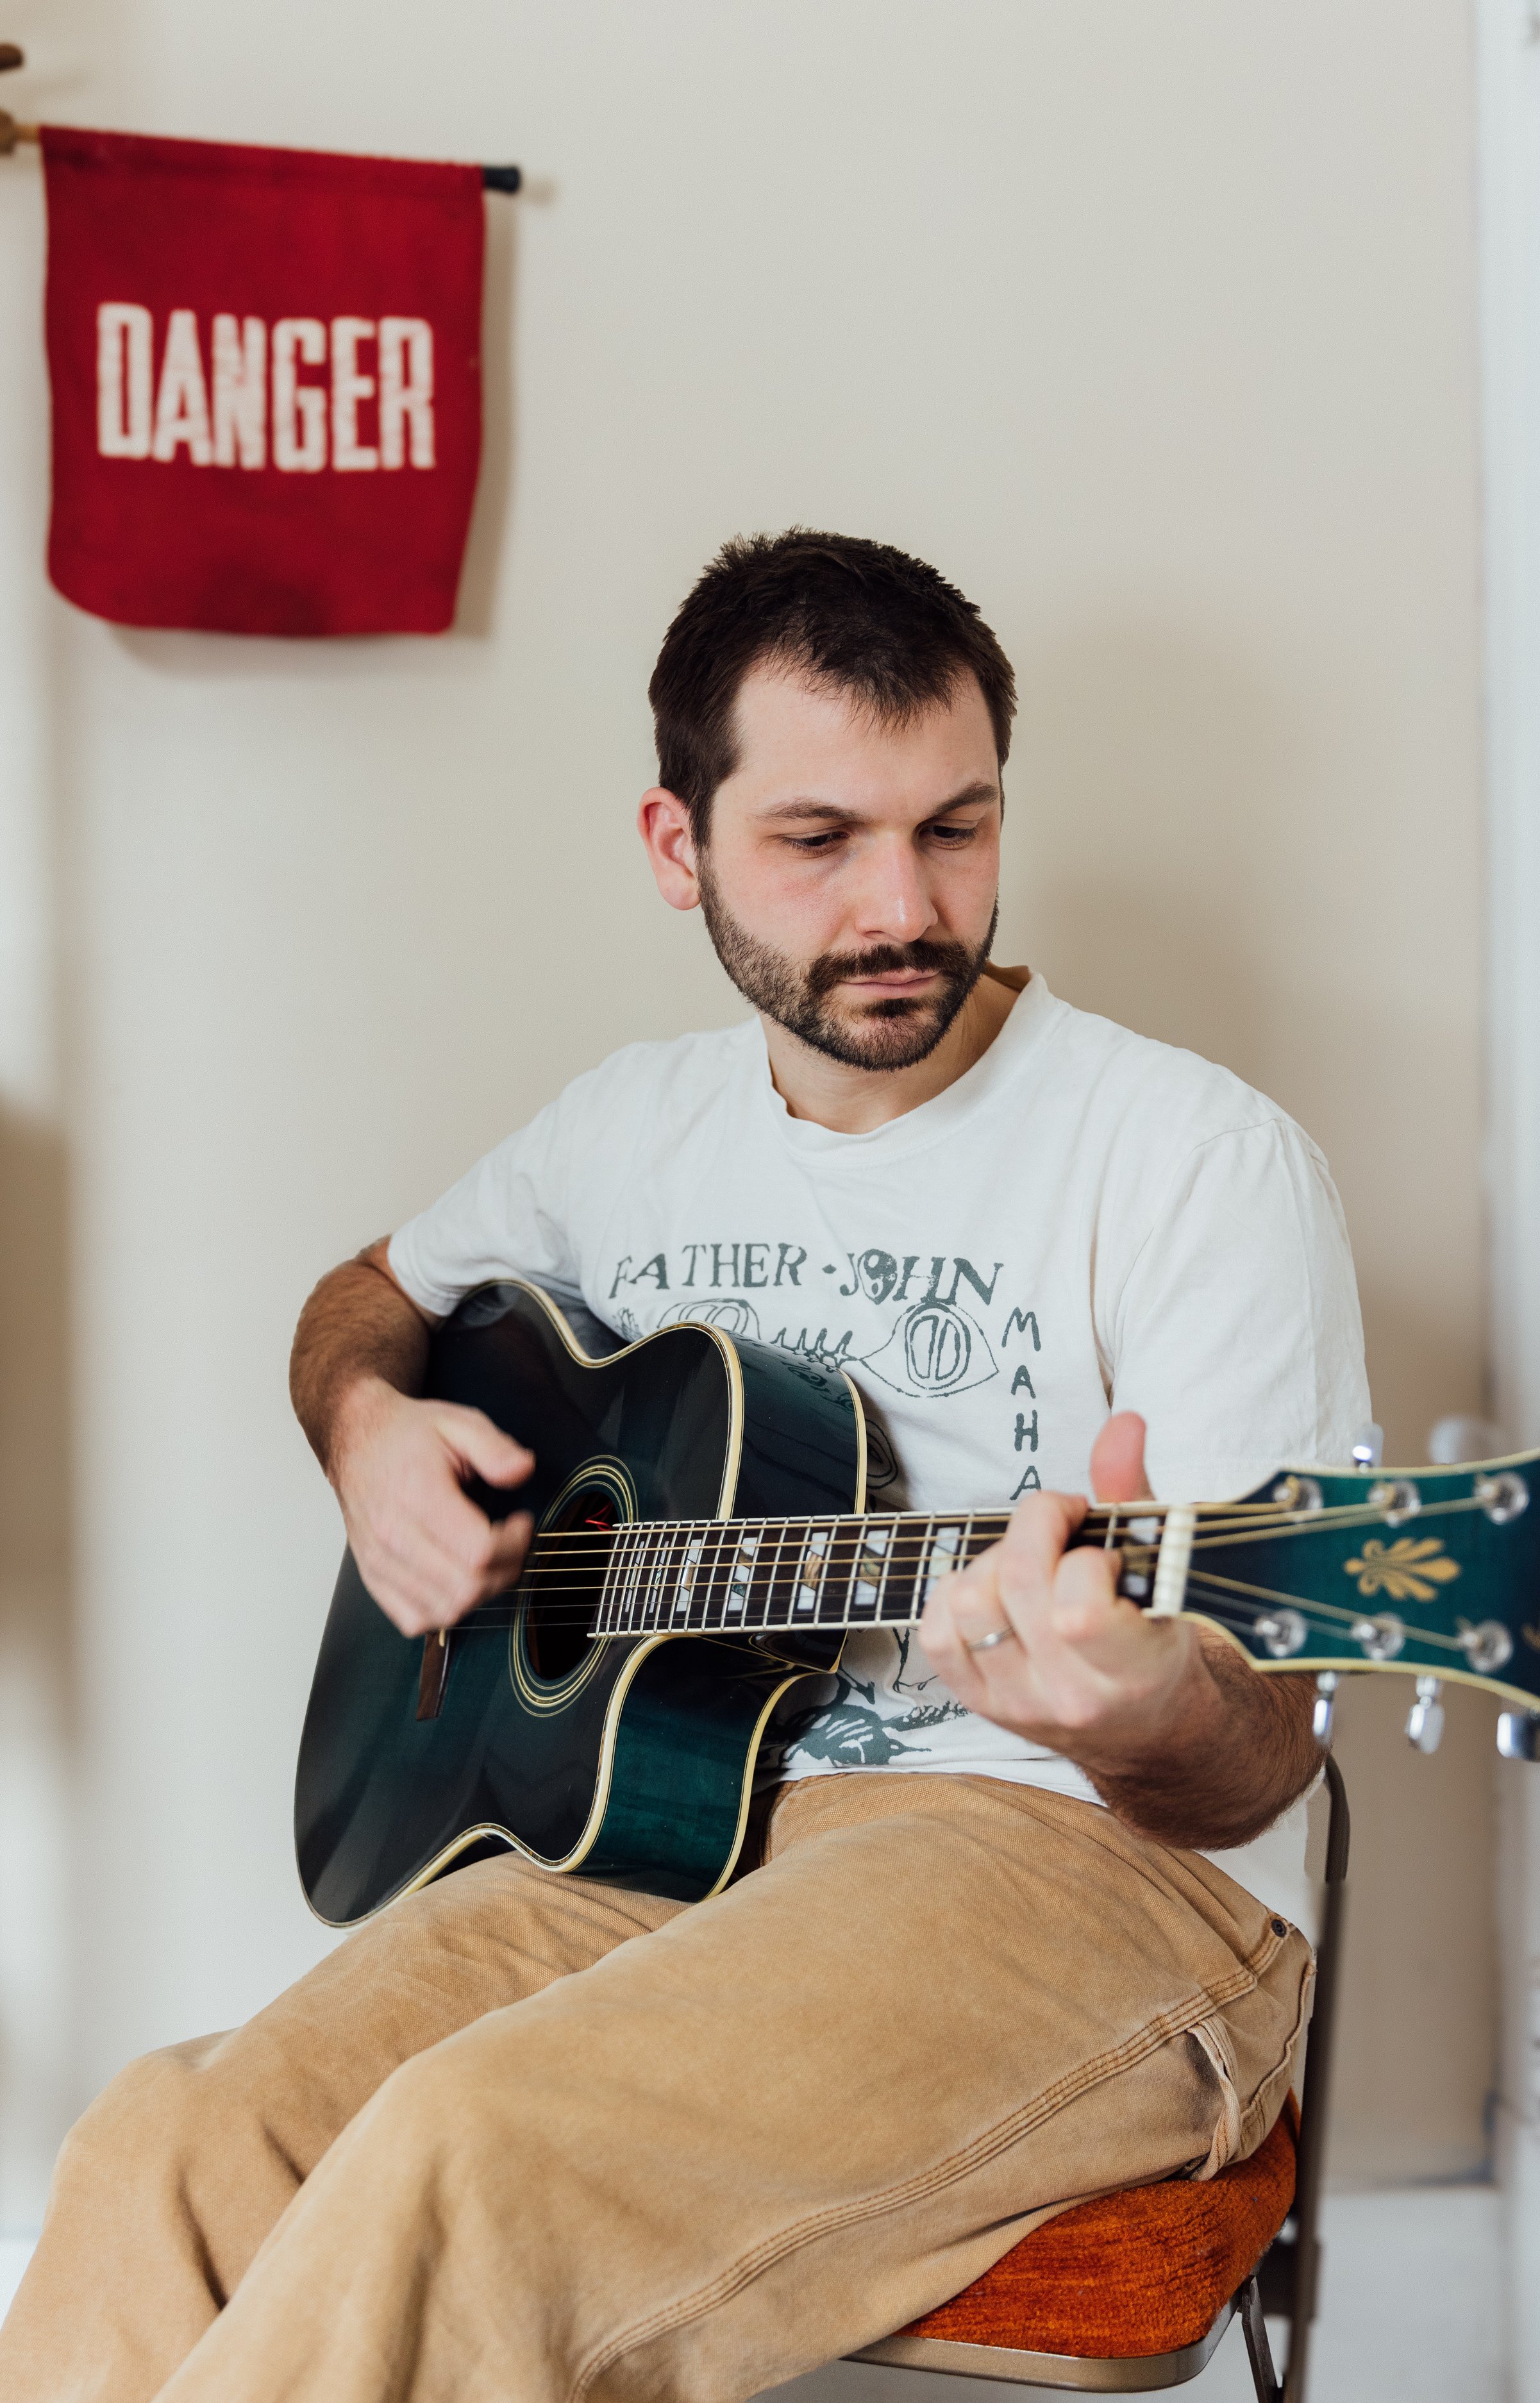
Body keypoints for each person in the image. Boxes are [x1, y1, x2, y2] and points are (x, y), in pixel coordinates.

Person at [3, 532, 1368, 2403]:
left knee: (473, 2155)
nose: (904, 904)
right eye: (819, 840)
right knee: (168, 2140)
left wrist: (1138, 1706)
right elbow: (365, 1300)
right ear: (678, 844)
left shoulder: (1197, 1163)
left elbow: (1260, 1749)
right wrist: (366, 1433)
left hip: (1082, 1867)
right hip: (666, 1833)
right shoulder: (625, 1131)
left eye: (955, 829)